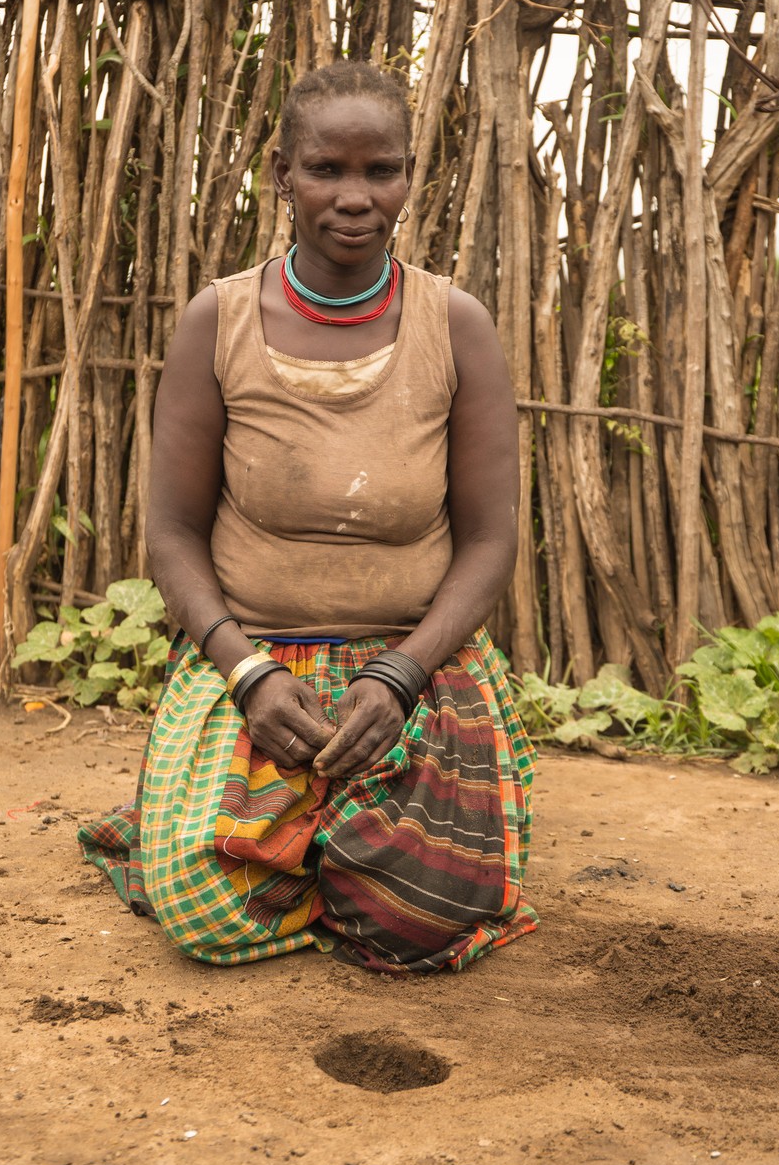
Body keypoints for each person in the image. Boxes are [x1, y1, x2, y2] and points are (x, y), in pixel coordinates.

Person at [78, 61, 537, 974]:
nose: (356, 197)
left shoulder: (457, 326)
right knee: (205, 917)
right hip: (251, 660)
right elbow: (170, 530)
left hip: (414, 667)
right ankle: (299, 838)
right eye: (327, 169)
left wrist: (401, 675)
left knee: (423, 916)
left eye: (382, 171)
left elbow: (489, 540)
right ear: (280, 173)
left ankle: (320, 845)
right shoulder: (221, 320)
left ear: (409, 176)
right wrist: (244, 671)